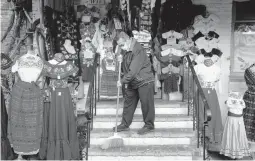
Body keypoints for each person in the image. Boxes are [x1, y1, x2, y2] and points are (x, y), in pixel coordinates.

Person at [114, 31, 155, 135]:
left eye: (122, 45)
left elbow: (133, 70)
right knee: (129, 103)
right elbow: (124, 62)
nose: (121, 47)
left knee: (146, 104)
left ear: (127, 40)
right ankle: (125, 124)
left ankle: (149, 125)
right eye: (119, 45)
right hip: (133, 81)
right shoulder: (126, 49)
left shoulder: (137, 49)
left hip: (144, 80)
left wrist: (122, 81)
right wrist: (119, 58)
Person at [220, 91, 250, 159]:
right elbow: (229, 104)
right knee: (231, 134)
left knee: (238, 134)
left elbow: (243, 106)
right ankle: (231, 152)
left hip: (239, 119)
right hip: (232, 119)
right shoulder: (230, 99)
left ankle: (238, 152)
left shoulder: (240, 98)